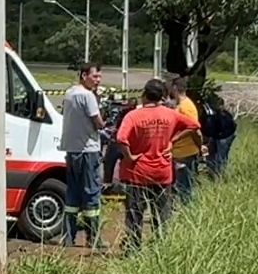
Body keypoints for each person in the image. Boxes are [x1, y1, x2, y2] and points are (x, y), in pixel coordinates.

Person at [116, 78, 202, 252]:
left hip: (137, 173)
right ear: (162, 96)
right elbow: (194, 125)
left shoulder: (133, 116)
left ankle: (133, 248)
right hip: (162, 172)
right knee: (162, 214)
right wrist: (172, 140)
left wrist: (130, 156)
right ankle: (160, 248)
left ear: (144, 95)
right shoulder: (170, 114)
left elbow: (121, 138)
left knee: (135, 213)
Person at [59, 63, 105, 248]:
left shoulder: (70, 93)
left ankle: (67, 238)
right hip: (89, 150)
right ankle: (94, 239)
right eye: (95, 76)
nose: (98, 80)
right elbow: (98, 123)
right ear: (84, 75)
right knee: (91, 193)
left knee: (72, 194)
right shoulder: (88, 96)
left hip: (72, 150)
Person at [168, 77, 203, 204]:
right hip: (179, 152)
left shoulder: (186, 107)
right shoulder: (180, 105)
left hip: (185, 153)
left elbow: (195, 129)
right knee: (178, 186)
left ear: (175, 88)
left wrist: (200, 147)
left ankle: (187, 211)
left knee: (185, 188)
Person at [204, 95, 237, 177]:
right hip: (218, 135)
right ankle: (213, 173)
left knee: (220, 158)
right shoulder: (214, 114)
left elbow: (228, 128)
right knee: (211, 156)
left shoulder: (223, 116)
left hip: (225, 136)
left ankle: (219, 176)